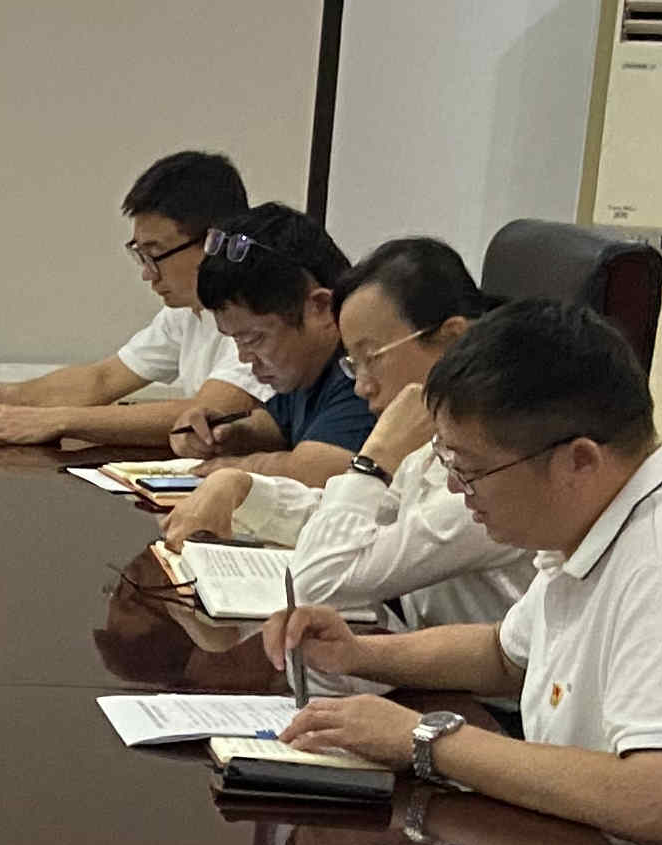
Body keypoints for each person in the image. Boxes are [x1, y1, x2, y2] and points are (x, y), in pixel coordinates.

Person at [278, 300, 662, 845]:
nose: (454, 489)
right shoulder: (602, 517)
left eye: (470, 470)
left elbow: (656, 801)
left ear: (579, 461)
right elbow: (504, 654)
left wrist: (423, 740)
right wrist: (358, 655)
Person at [157, 234, 531, 631]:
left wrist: (374, 460)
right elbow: (367, 518)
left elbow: (318, 584)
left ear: (452, 338)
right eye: (354, 364)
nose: (361, 386)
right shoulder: (437, 440)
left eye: (372, 358)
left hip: (467, 671)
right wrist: (243, 489)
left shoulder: (497, 465)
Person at [0, 149, 263, 450]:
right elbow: (103, 379)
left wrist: (57, 421)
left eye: (155, 255)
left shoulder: (262, 312)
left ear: (211, 242)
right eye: (141, 255)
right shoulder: (187, 311)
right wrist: (4, 396)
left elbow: (205, 415)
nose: (147, 274)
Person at [154, 204, 378, 482]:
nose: (244, 357)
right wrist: (228, 436)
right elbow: (277, 426)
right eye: (235, 339)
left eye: (254, 338)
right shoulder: (308, 369)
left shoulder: (362, 369)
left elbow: (323, 469)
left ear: (320, 307)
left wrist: (238, 467)